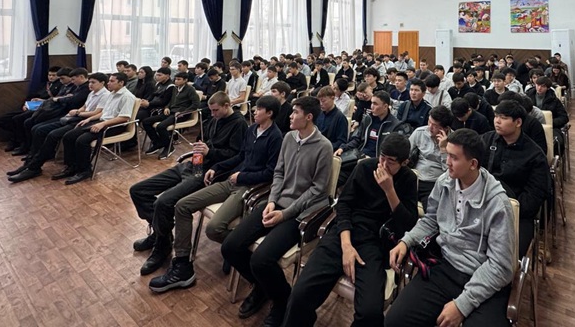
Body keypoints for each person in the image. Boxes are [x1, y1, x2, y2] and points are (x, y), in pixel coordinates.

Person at [218, 97, 333, 326]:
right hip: (276, 202)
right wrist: (272, 201)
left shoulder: (324, 147)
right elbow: (278, 173)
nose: (290, 115)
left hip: (300, 213)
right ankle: (263, 287)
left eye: (295, 112)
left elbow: (317, 190)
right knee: (230, 247)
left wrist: (285, 213)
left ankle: (281, 300)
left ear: (308, 117)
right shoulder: (289, 138)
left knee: (261, 260)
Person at [282, 134, 418, 327]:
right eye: (382, 157)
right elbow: (343, 205)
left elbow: (408, 224)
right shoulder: (365, 167)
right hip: (345, 232)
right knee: (300, 295)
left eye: (391, 162)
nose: (383, 165)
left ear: (404, 163)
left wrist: (389, 190)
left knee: (370, 313)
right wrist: (346, 245)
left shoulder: (408, 179)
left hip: (375, 242)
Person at [386, 129, 515, 327]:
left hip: (483, 276)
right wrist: (407, 241)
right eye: (447, 155)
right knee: (395, 321)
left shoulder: (498, 203)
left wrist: (462, 305)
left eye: (454, 158)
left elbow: (501, 266)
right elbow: (431, 221)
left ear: (473, 164)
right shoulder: (445, 182)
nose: (447, 162)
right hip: (445, 266)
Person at [130, 91, 247, 274]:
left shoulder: (239, 124)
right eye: (211, 110)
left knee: (164, 201)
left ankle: (162, 245)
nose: (213, 114)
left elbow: (236, 156)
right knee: (138, 190)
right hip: (195, 165)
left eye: (216, 110)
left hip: (209, 172)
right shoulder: (214, 120)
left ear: (227, 105)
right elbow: (202, 144)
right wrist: (198, 156)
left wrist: (208, 154)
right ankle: (161, 233)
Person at [165, 96, 283, 276]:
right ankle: (182, 261)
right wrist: (217, 167)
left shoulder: (276, 137)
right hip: (232, 180)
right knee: (182, 205)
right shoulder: (252, 129)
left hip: (249, 188)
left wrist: (242, 176)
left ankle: (237, 248)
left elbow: (270, 173)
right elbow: (240, 157)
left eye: (259, 109)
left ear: (269, 113)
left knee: (213, 229)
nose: (254, 111)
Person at [6, 72, 110, 183]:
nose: (90, 84)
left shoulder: (105, 95)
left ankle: (35, 166)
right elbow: (85, 106)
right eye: (89, 82)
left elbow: (97, 113)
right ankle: (31, 162)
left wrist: (78, 113)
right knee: (39, 130)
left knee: (54, 135)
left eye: (93, 82)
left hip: (86, 120)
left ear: (102, 83)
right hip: (75, 117)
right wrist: (77, 111)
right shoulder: (92, 93)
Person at [482, 100, 550, 255]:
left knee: (510, 253)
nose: (497, 121)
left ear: (518, 122)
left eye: (503, 118)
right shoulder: (486, 140)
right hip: (483, 204)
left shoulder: (534, 154)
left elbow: (535, 195)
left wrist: (509, 209)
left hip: (516, 213)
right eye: (496, 116)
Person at [58, 72, 138, 185]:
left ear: (121, 83)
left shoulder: (127, 96)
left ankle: (85, 170)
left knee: (82, 140)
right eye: (109, 81)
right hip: (102, 122)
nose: (108, 83)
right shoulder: (112, 94)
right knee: (69, 136)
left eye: (112, 81)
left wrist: (103, 124)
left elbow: (124, 118)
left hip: (115, 126)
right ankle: (71, 166)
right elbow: (104, 113)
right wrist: (89, 119)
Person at [142, 71, 201, 159]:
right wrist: (167, 107)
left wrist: (183, 112)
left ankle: (169, 147)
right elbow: (170, 101)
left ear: (185, 80)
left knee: (161, 126)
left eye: (179, 79)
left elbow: (196, 104)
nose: (176, 81)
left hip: (181, 114)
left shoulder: (190, 89)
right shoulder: (175, 88)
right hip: (171, 112)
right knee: (146, 122)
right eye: (175, 79)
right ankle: (157, 143)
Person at [409, 105, 452, 210]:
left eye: (435, 125)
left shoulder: (453, 141)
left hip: (434, 183)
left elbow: (449, 171)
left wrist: (443, 149)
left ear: (445, 129)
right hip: (415, 177)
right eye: (429, 122)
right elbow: (405, 152)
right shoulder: (420, 132)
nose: (430, 127)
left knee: (430, 209)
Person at [315, 86, 348, 150]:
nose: (321, 104)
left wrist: (325, 147)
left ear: (332, 98)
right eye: (319, 101)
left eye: (323, 101)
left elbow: (342, 141)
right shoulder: (318, 113)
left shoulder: (340, 118)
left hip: (329, 149)